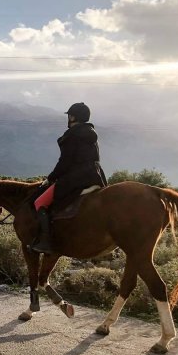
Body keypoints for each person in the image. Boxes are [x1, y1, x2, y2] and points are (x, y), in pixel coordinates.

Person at [30, 102, 107, 254]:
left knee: (40, 202)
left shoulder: (72, 135)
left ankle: (46, 242)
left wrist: (51, 178)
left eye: (69, 116)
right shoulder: (91, 132)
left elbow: (65, 162)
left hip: (76, 178)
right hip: (96, 176)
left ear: (72, 117)